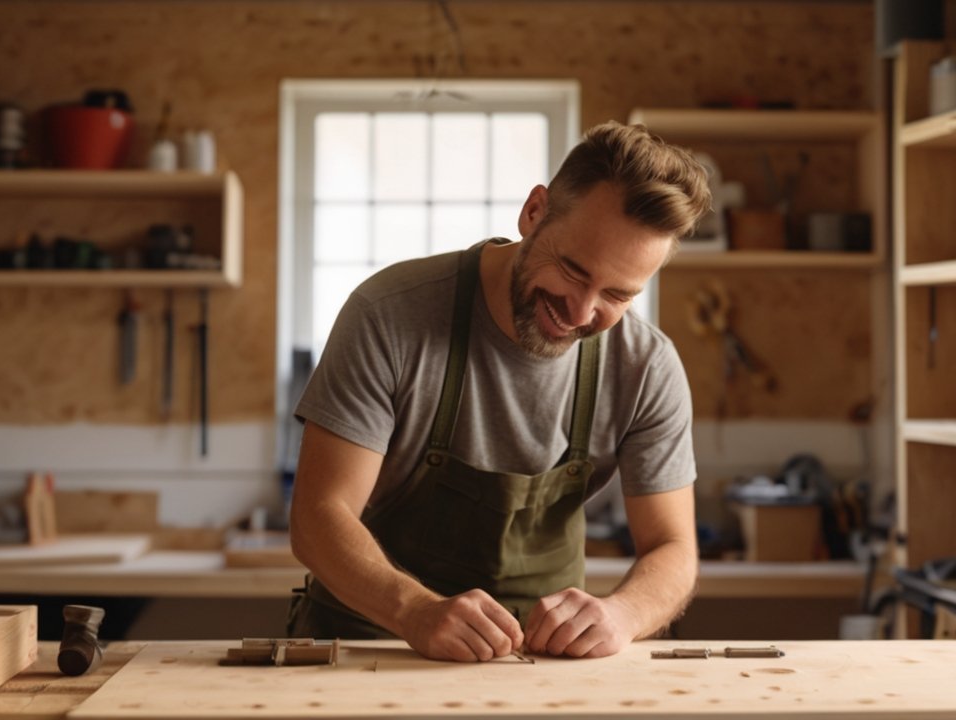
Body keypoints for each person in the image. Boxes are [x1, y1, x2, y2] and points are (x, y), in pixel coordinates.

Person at [287, 120, 711, 662]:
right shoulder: (390, 316)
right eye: (572, 271)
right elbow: (318, 517)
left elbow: (673, 548)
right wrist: (413, 611)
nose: (580, 313)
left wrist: (622, 615)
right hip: (371, 646)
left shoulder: (646, 367)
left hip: (542, 667)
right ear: (534, 211)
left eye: (617, 295)